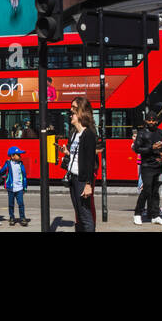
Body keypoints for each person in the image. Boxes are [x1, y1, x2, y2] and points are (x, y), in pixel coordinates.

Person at [64, 97, 98, 232]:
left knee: (85, 215)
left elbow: (89, 161)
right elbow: (77, 156)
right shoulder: (74, 134)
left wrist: (88, 184)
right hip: (73, 177)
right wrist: (67, 153)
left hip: (82, 179)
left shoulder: (88, 134)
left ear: (81, 112)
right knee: (78, 213)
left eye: (73, 109)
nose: (70, 112)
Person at [131, 111, 162, 226]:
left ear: (157, 121)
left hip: (158, 166)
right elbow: (137, 149)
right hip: (146, 166)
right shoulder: (142, 134)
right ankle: (137, 213)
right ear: (146, 121)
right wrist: (151, 148)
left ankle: (155, 215)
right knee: (146, 190)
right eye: (149, 120)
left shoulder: (161, 133)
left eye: (153, 120)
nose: (151, 122)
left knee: (156, 191)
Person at [0, 146, 29, 225]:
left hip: (19, 188)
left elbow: (24, 176)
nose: (20, 156)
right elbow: (1, 171)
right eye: (18, 155)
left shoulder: (21, 164)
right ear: (12, 156)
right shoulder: (8, 163)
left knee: (21, 204)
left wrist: (24, 187)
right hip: (11, 188)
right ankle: (12, 217)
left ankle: (22, 218)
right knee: (11, 204)